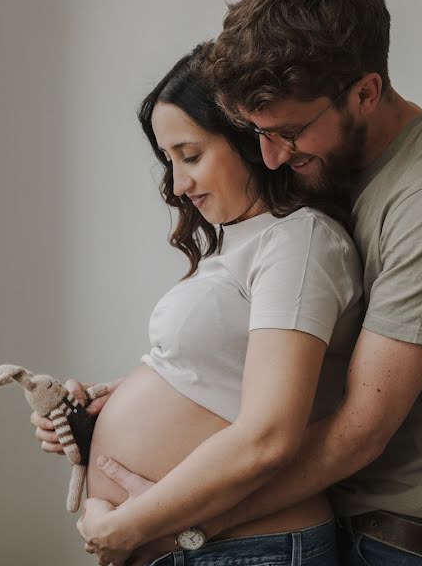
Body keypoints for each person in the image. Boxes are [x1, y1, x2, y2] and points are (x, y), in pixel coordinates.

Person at [55, 0, 422, 565]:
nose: (271, 156)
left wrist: (178, 525)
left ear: (365, 93)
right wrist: (159, 388)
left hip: (400, 534)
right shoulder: (327, 167)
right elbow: (310, 350)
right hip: (337, 510)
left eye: (288, 132)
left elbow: (361, 427)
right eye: (257, 134)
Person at [34, 43, 364, 566]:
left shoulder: (300, 243)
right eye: (169, 161)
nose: (178, 184)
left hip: (249, 547)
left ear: (250, 142)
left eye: (190, 156)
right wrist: (106, 408)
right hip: (209, 546)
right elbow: (224, 380)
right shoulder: (245, 241)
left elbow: (270, 436)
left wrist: (126, 526)